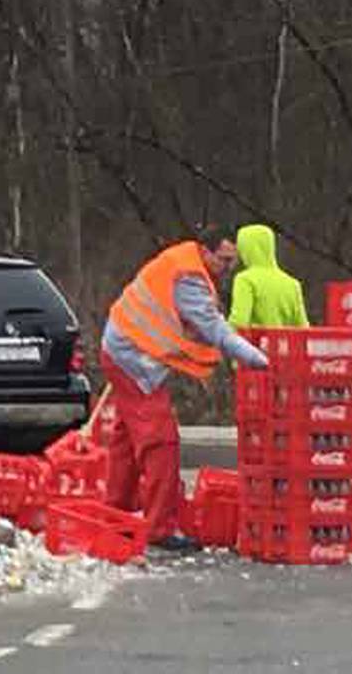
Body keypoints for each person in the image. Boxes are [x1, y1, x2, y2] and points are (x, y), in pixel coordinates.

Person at [102, 230, 268, 545]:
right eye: (224, 260)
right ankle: (159, 530)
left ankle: (114, 515)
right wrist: (259, 360)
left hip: (124, 348)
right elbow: (214, 329)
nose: (228, 268)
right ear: (205, 251)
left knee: (126, 442)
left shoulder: (184, 263)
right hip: (134, 358)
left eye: (232, 261)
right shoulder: (189, 277)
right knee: (161, 443)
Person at [227, 223, 310, 328]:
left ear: (245, 249)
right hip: (284, 343)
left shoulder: (245, 279)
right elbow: (303, 327)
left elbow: (238, 322)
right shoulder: (293, 284)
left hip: (255, 343)